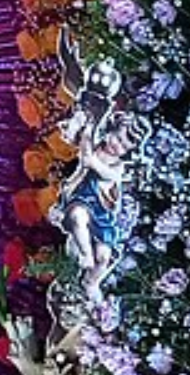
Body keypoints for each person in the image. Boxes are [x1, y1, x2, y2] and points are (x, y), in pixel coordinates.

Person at [53, 109, 148, 305]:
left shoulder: (118, 167)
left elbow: (98, 167)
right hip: (83, 199)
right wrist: (88, 128)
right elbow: (80, 170)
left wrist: (89, 152)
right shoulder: (95, 147)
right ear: (110, 130)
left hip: (103, 213)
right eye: (117, 137)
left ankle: (91, 282)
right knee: (78, 216)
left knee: (104, 256)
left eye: (124, 145)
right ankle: (85, 254)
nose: (117, 145)